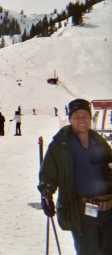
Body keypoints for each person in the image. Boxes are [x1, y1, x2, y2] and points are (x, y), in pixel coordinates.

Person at [38, 99, 112, 255]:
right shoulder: (60, 145)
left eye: (85, 115)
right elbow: (48, 173)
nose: (81, 120)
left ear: (90, 118)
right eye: (76, 116)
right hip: (82, 211)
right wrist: (46, 193)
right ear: (70, 119)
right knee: (88, 251)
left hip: (108, 210)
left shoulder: (100, 142)